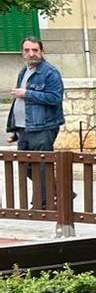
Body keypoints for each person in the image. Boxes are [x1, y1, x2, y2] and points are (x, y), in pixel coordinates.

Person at [7, 38, 64, 211]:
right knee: (26, 166)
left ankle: (43, 205)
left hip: (43, 127)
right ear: (23, 52)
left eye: (34, 50)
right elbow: (18, 103)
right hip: (25, 128)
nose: (31, 54)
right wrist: (14, 129)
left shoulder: (50, 72)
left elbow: (55, 98)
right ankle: (60, 192)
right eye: (27, 50)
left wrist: (28, 93)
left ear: (42, 51)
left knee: (41, 167)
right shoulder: (24, 71)